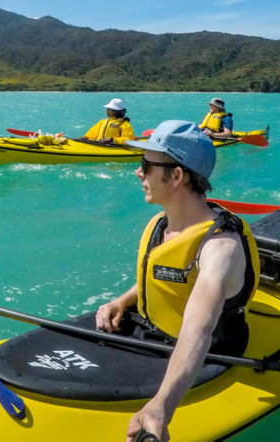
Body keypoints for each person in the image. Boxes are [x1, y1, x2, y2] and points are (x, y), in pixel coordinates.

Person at [96, 120, 259, 442]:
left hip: (207, 353)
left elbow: (198, 330)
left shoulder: (219, 250)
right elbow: (161, 278)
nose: (138, 173)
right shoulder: (162, 224)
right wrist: (123, 301)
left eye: (146, 164)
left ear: (176, 176)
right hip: (151, 331)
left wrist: (161, 406)